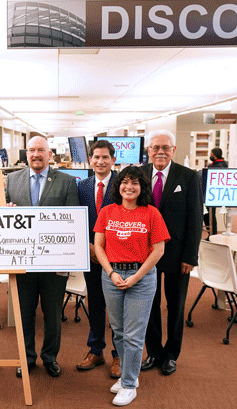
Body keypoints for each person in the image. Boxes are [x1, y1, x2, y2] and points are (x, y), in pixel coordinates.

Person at [5, 135, 79, 378]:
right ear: (26, 154)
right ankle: (26, 358)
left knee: (52, 313)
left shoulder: (67, 182)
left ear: (50, 155)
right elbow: (2, 220)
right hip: (22, 261)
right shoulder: (11, 180)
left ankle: (50, 357)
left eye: (41, 150)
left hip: (54, 262)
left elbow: (73, 223)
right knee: (24, 312)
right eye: (31, 150)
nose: (36, 154)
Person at [95, 165, 168, 406]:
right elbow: (99, 246)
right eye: (125, 182)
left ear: (141, 187)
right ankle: (130, 375)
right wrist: (110, 272)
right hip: (112, 275)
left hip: (142, 277)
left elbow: (159, 250)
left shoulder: (151, 213)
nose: (129, 187)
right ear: (119, 186)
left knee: (135, 336)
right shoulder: (107, 211)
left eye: (135, 183)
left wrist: (136, 277)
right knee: (118, 331)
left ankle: (128, 384)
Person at [141, 129, 202, 376]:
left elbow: (196, 218)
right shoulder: (140, 175)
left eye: (165, 147)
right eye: (155, 148)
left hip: (177, 253)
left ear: (174, 150)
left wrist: (191, 256)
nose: (160, 152)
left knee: (176, 306)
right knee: (149, 304)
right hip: (145, 253)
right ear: (148, 151)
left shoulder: (188, 177)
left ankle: (172, 354)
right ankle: (154, 351)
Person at [75, 140, 121, 378]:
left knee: (117, 307)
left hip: (117, 257)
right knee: (95, 303)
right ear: (90, 160)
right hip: (91, 255)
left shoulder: (123, 185)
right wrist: (89, 245)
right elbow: (76, 219)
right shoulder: (82, 186)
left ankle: (118, 354)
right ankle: (95, 350)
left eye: (105, 157)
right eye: (96, 157)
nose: (100, 161)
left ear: (113, 160)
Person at [203, 147, 227, 236]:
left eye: (211, 154)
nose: (210, 156)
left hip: (212, 194)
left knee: (209, 215)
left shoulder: (219, 166)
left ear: (215, 155)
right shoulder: (220, 164)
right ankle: (212, 234)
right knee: (210, 215)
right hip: (212, 193)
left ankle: (212, 234)